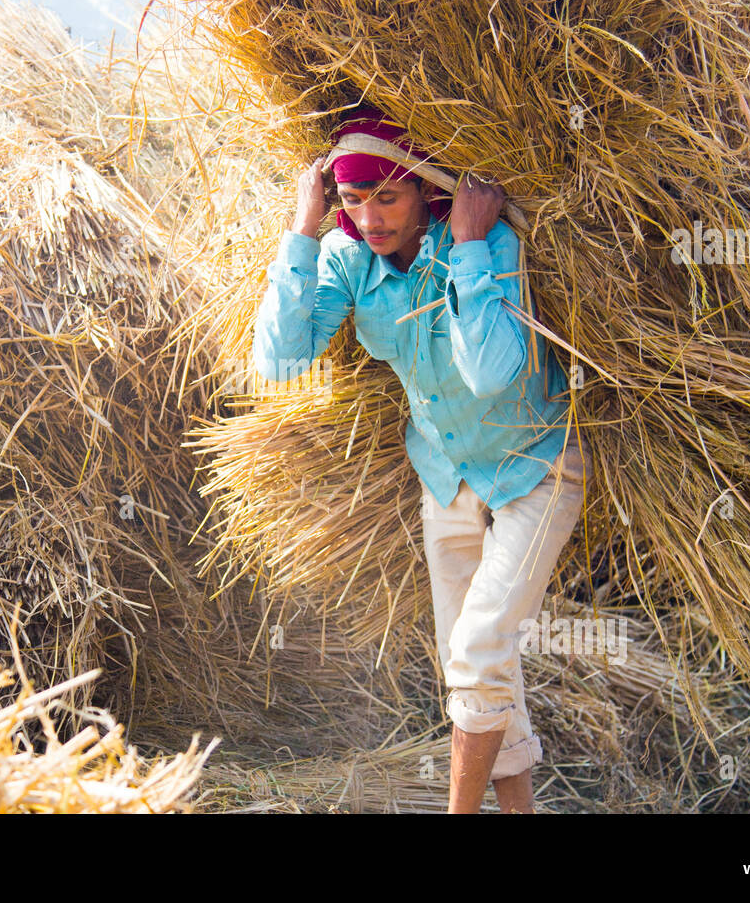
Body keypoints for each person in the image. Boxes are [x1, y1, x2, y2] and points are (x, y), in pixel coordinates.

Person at [252, 105, 590, 813]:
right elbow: (281, 359)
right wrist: (302, 230)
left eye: (387, 197)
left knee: (477, 650)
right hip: (446, 477)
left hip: (537, 466)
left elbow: (493, 371)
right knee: (475, 661)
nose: (370, 218)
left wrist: (467, 246)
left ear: (423, 192)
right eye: (352, 200)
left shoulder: (483, 243)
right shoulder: (346, 258)